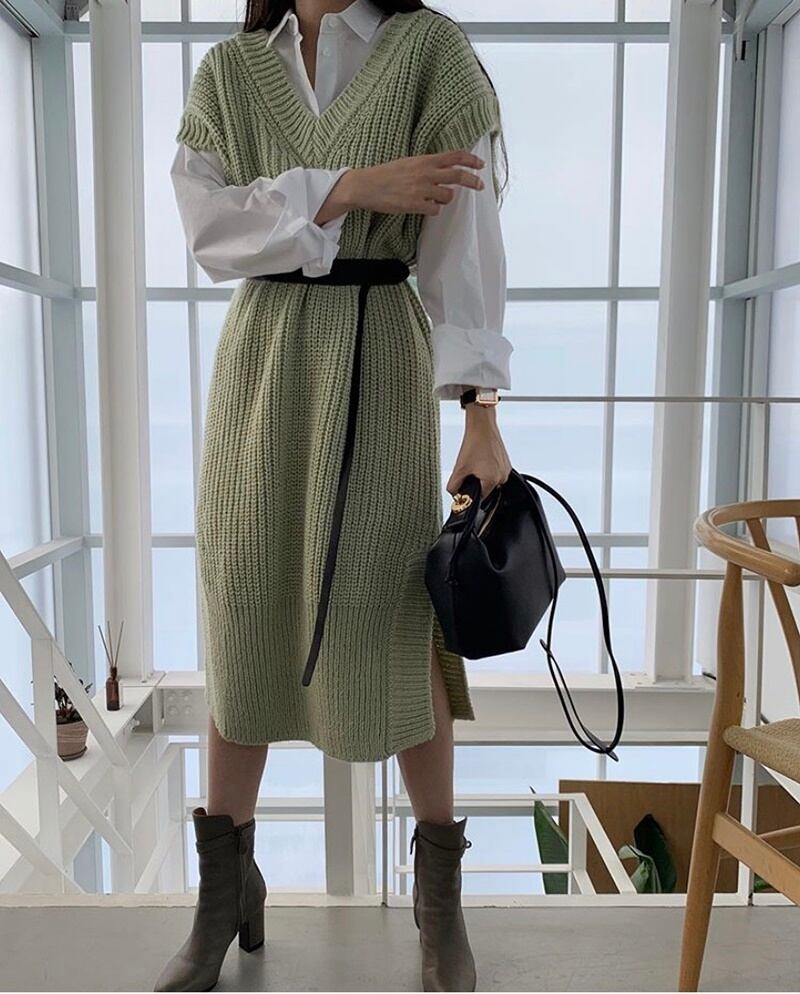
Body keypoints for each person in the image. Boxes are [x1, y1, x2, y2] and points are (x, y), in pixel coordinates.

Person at [155, 2, 513, 991]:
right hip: (261, 364)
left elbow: (466, 243)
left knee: (398, 617)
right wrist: (349, 185)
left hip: (380, 356)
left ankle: (438, 903)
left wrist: (480, 410)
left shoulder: (430, 52)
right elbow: (208, 231)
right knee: (244, 608)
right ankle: (224, 892)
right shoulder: (231, 71)